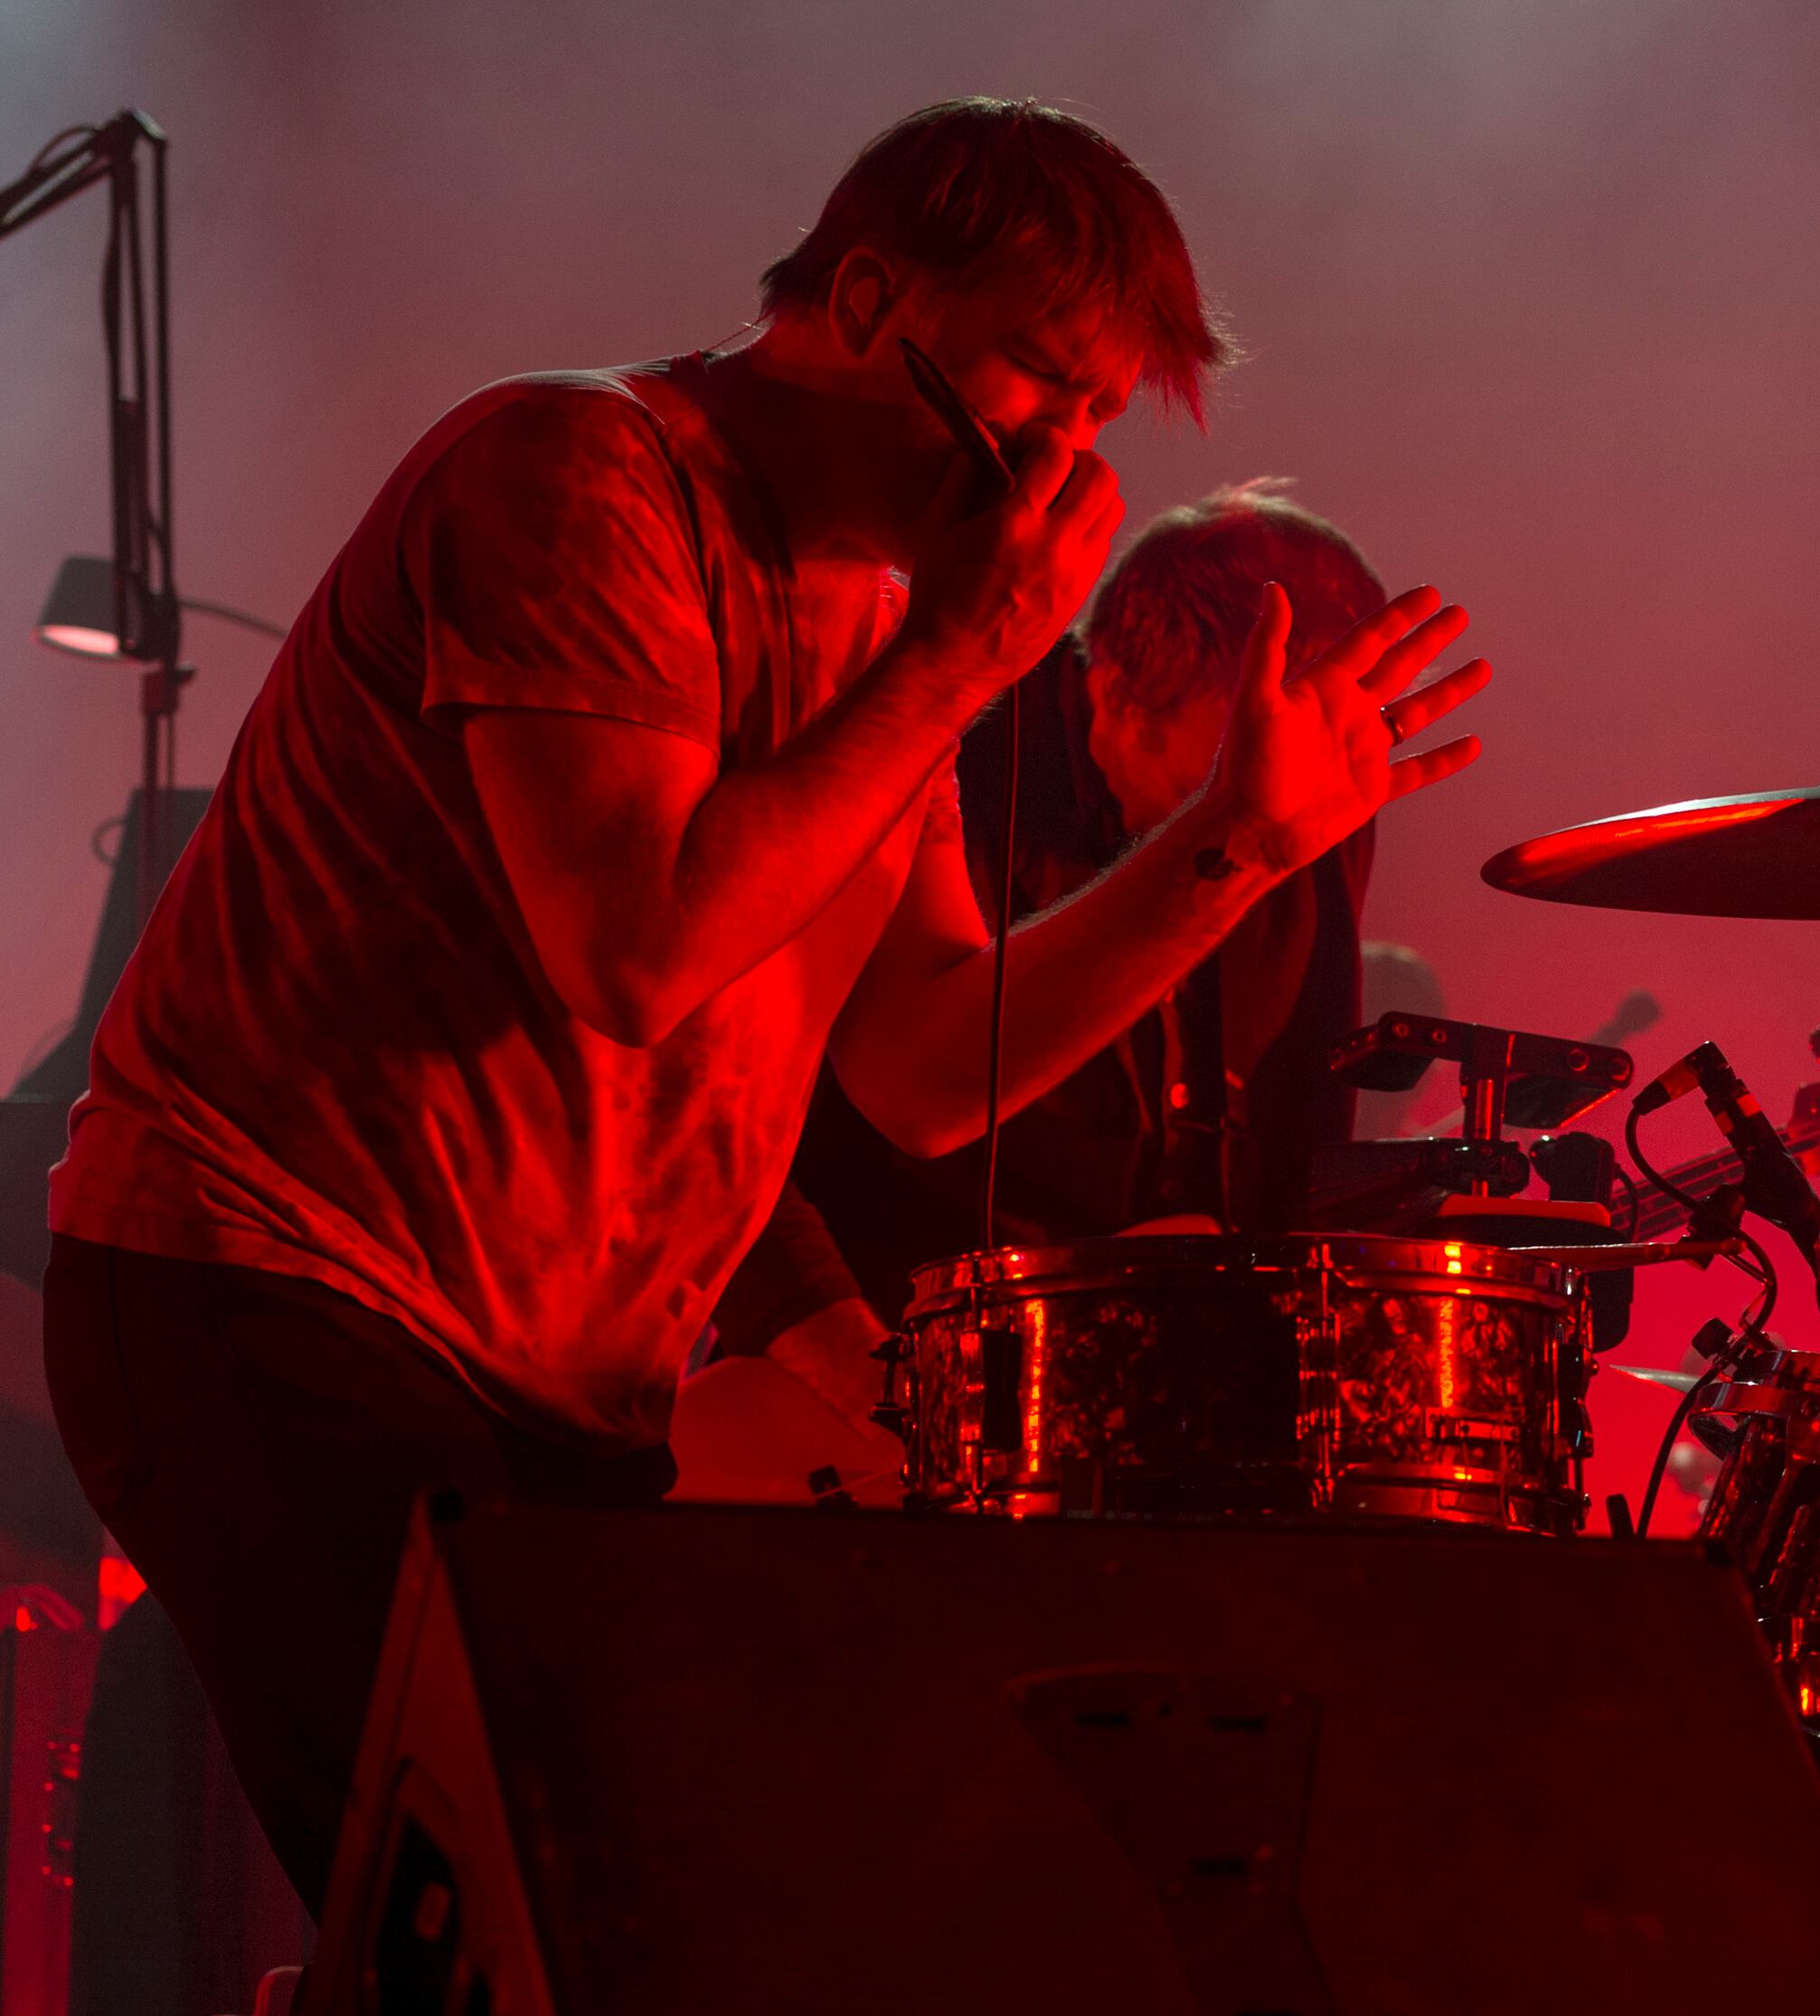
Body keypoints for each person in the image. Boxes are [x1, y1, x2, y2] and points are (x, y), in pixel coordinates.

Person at [36, 98, 1489, 1908]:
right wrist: (965, 655)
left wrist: (1234, 851)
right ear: (870, 297)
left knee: (632, 1891)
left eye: (1103, 417)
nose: (1059, 459)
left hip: (538, 1371)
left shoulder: (882, 619)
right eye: (1039, 378)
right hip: (277, 1280)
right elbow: (635, 953)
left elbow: (928, 1062)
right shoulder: (580, 476)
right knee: (503, 1906)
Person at [706, 483, 1392, 1423]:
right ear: (1116, 691)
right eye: (1228, 772)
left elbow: (1294, 1149)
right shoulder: (939, 759)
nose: (1279, 785)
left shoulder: (1310, 791)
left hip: (1136, 1420)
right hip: (865, 1387)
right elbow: (720, 1108)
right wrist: (842, 1358)